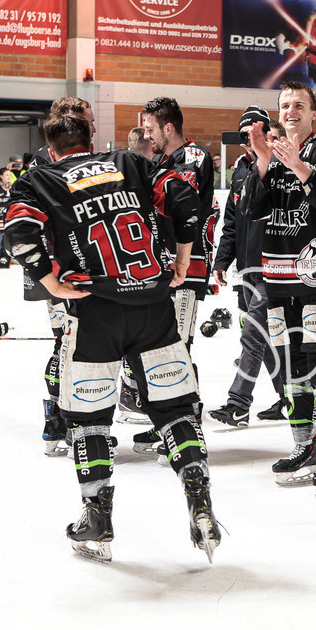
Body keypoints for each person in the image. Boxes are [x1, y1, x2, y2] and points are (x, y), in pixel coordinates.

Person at [3, 109, 221, 563]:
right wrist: (182, 260)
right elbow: (184, 198)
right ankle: (199, 496)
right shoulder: (129, 163)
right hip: (153, 306)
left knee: (90, 421)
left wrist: (51, 283)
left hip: (95, 312)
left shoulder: (39, 179)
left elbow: (19, 234)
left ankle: (97, 518)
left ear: (51, 144)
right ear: (90, 136)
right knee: (176, 411)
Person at [239, 81, 316, 498]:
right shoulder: (268, 151)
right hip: (278, 276)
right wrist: (266, 162)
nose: (291, 111)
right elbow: (252, 209)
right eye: (285, 105)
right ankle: (304, 445)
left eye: (299, 105)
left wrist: (302, 168)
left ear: (313, 114)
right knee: (291, 369)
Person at [128, 97, 218, 450]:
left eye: (150, 129)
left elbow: (177, 200)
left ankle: (188, 426)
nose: (146, 135)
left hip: (189, 264)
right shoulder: (163, 159)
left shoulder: (192, 158)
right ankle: (167, 420)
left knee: (179, 346)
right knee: (160, 348)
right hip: (165, 266)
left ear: (168, 128)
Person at [26, 96, 98, 455]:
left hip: (59, 268)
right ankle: (60, 420)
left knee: (69, 343)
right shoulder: (48, 160)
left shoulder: (56, 155)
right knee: (66, 344)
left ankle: (61, 420)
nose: (94, 127)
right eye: (88, 120)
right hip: (58, 270)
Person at [206, 106, 287, 428]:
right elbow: (231, 223)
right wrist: (222, 260)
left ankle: (237, 405)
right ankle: (289, 399)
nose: (246, 142)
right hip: (247, 271)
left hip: (273, 269)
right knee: (263, 343)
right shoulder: (240, 171)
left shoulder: (281, 167)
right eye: (243, 136)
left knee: (253, 337)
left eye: (252, 135)